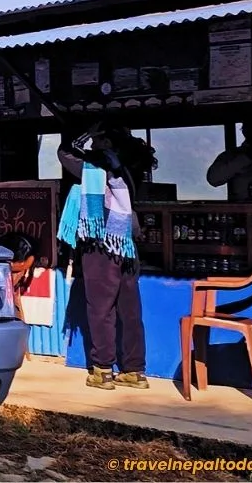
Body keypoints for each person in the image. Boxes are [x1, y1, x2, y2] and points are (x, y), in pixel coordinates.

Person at [56, 120, 157, 391]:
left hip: (101, 243)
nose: (93, 145)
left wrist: (86, 131)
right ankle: (134, 371)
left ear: (108, 143)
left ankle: (102, 370)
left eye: (98, 140)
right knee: (130, 309)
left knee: (100, 308)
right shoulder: (130, 166)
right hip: (126, 244)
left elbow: (65, 152)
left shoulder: (96, 168)